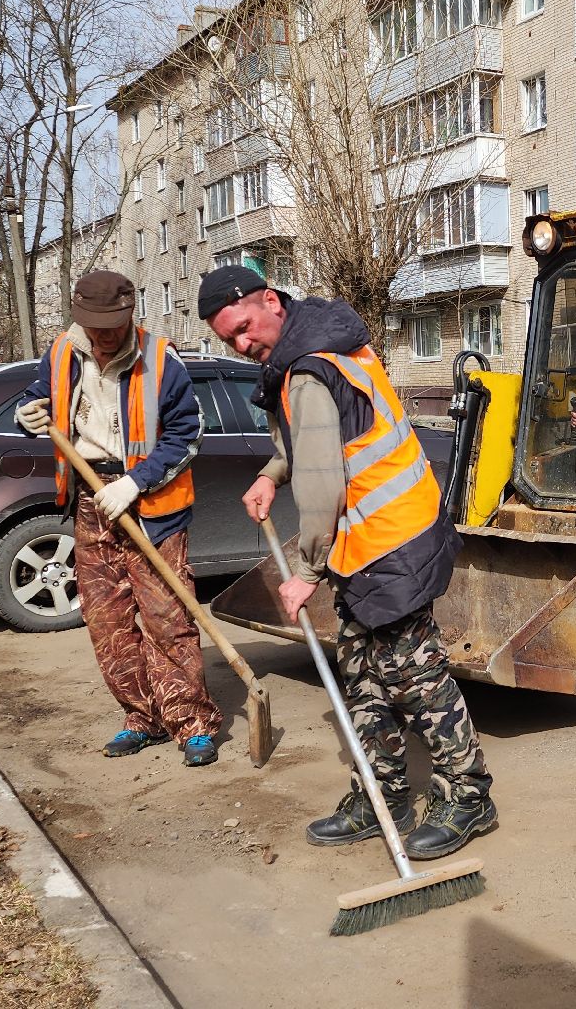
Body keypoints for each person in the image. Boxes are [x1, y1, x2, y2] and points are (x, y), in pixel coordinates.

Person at [197, 266, 496, 860]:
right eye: (227, 339)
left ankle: (468, 797)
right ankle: (378, 795)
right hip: (377, 535)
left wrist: (304, 575)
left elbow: (321, 483)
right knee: (361, 672)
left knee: (416, 674)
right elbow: (307, 442)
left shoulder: (309, 368)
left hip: (393, 538)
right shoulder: (317, 341)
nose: (240, 345)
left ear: (270, 302)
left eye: (244, 328)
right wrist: (268, 473)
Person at [14, 270, 223, 767]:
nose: (104, 335)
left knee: (167, 618)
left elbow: (186, 436)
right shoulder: (63, 353)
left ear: (130, 313)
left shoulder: (160, 360)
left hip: (152, 507)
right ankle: (140, 717)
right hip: (89, 502)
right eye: (94, 325)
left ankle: (191, 723)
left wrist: (135, 482)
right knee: (107, 621)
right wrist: (27, 414)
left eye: (112, 324)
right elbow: (36, 400)